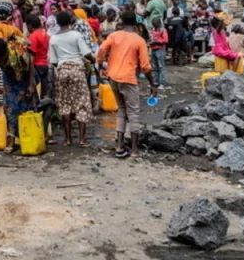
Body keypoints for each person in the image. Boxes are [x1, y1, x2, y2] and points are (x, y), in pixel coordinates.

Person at [97, 10, 156, 160]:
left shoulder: (114, 35)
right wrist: (152, 84)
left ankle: (119, 147)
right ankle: (135, 150)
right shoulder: (139, 40)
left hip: (113, 77)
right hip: (128, 79)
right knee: (133, 113)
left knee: (122, 110)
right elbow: (146, 66)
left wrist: (100, 64)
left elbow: (102, 48)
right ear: (136, 23)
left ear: (121, 20)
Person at [49, 11, 95, 147]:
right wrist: (94, 59)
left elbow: (53, 61)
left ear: (57, 23)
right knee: (81, 102)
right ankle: (82, 139)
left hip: (62, 71)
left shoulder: (53, 39)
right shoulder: (76, 35)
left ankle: (68, 139)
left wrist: (64, 65)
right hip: (77, 71)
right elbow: (86, 53)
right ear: (70, 22)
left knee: (65, 104)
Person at [0, 37, 35, 153]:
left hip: (24, 77)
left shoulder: (18, 52)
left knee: (26, 107)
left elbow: (30, 67)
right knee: (9, 108)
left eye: (2, 59)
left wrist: (31, 84)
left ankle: (28, 137)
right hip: (9, 79)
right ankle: (11, 140)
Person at [25, 15, 52, 101]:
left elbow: (31, 56)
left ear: (30, 26)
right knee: (44, 92)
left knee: (33, 91)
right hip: (45, 64)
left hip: (37, 66)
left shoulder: (33, 36)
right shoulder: (45, 33)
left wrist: (30, 75)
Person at [149, 18, 169, 90]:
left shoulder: (163, 30)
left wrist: (156, 42)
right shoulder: (152, 30)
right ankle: (156, 82)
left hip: (160, 49)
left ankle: (163, 83)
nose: (155, 26)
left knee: (161, 67)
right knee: (155, 67)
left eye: (156, 25)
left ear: (159, 24)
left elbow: (165, 40)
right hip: (153, 49)